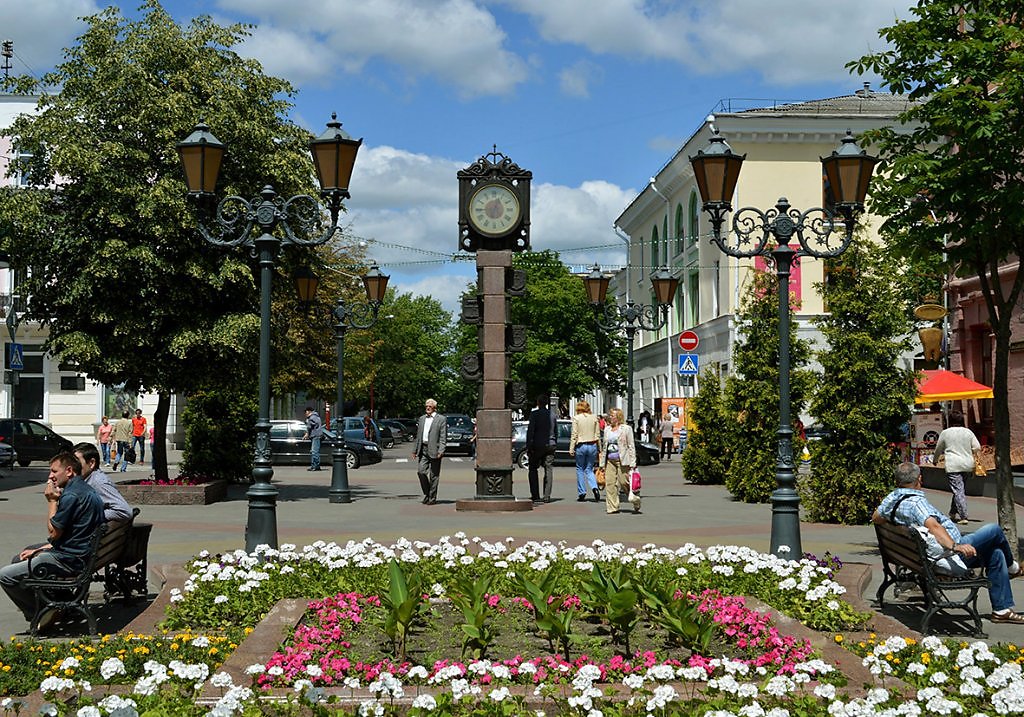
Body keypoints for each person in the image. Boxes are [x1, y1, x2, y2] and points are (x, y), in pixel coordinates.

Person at [874, 461, 1024, 624]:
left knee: (996, 553)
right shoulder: (916, 503)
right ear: (920, 479)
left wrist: (898, 519)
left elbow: (876, 517)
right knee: (994, 530)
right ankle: (1013, 568)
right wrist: (955, 546)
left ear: (898, 481)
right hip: (949, 555)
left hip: (917, 556)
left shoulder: (893, 498)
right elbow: (934, 526)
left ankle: (1001, 610)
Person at [0, 452, 105, 631]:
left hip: (69, 560)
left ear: (69, 471)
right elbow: (74, 533)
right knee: (21, 557)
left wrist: (51, 501)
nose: (50, 476)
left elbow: (53, 532)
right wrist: (43, 547)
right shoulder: (86, 490)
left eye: (54, 471)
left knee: (5, 575)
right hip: (82, 553)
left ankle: (40, 613)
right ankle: (59, 602)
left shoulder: (71, 495)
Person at [933, 411, 981, 525]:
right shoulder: (968, 432)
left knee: (958, 490)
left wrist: (935, 459)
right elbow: (977, 447)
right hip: (967, 464)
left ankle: (963, 515)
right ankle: (952, 512)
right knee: (959, 489)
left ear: (950, 421)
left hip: (953, 464)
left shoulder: (945, 433)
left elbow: (938, 448)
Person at [74, 442, 132, 522]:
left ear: (91, 463)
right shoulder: (85, 480)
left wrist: (89, 516)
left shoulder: (98, 482)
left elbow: (124, 511)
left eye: (76, 463)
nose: (72, 467)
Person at [602, 408, 640, 515]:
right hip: (610, 460)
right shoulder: (607, 429)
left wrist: (633, 462)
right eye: (610, 415)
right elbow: (605, 447)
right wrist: (601, 464)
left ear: (618, 417)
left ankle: (635, 499)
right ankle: (612, 507)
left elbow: (631, 446)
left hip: (622, 460)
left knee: (624, 482)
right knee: (610, 484)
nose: (610, 417)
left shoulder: (626, 429)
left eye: (612, 415)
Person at [413, 399, 446, 505]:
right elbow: (418, 436)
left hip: (435, 450)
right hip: (423, 449)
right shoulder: (422, 419)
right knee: (421, 472)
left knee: (434, 475)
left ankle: (432, 498)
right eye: (426, 406)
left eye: (430, 406)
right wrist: (415, 450)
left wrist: (441, 450)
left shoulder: (441, 419)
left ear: (434, 408)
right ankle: (427, 493)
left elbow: (443, 436)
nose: (427, 408)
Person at [526, 393, 557, 504]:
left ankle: (535, 495)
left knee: (533, 468)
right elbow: (556, 431)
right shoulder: (552, 414)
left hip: (537, 445)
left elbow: (531, 431)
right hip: (551, 444)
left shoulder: (534, 414)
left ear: (538, 403)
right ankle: (547, 496)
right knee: (548, 469)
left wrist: (529, 446)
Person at [569, 401, 602, 503]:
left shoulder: (576, 418)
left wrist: (571, 448)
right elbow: (597, 435)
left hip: (581, 445)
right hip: (592, 445)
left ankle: (582, 492)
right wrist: (600, 448)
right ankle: (595, 488)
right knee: (589, 469)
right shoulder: (594, 418)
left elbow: (574, 434)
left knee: (580, 469)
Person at [303, 407, 324, 471]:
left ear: (309, 411)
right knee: (314, 451)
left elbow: (310, 426)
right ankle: (314, 466)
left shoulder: (312, 417)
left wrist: (308, 421)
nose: (305, 413)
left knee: (314, 451)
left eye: (306, 412)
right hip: (316, 435)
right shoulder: (316, 417)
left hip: (315, 436)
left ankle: (315, 466)